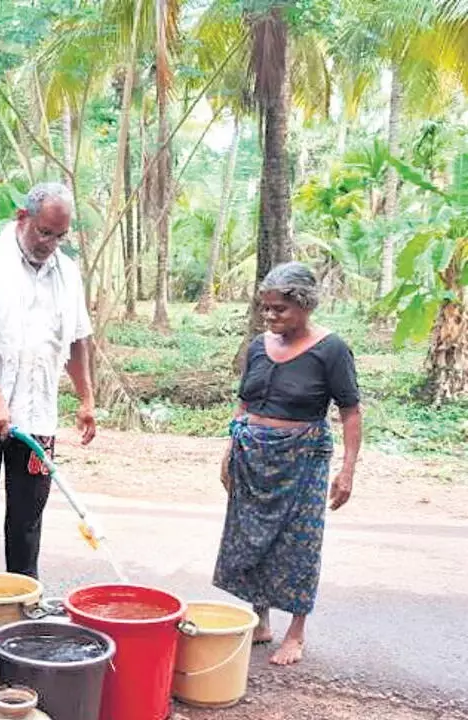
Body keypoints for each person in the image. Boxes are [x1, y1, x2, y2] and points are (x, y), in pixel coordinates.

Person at [0, 182, 97, 579]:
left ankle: (23, 602)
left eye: (60, 236)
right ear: (22, 217)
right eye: (45, 232)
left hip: (38, 416)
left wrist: (86, 400)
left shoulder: (67, 273)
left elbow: (78, 339)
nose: (51, 244)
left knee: (28, 518)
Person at [214, 261, 363, 666]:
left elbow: (350, 410)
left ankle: (295, 632)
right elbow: (245, 402)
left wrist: (347, 469)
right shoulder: (259, 346)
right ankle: (259, 620)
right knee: (250, 537)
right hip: (252, 454)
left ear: (305, 305)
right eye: (266, 308)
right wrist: (231, 448)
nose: (270, 316)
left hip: (302, 458)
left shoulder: (330, 349)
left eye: (279, 308)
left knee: (299, 543)